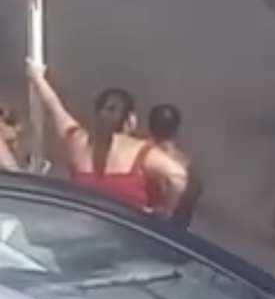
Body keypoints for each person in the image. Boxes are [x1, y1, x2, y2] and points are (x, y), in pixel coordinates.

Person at [25, 59, 187, 215]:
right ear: (130, 120)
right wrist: (164, 213)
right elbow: (177, 177)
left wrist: (37, 78)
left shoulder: (77, 142)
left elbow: (55, 107)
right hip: (127, 235)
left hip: (84, 229)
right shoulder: (141, 154)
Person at [147, 103, 203, 226]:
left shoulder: (136, 153)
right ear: (176, 131)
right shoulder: (187, 169)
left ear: (149, 125)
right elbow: (186, 212)